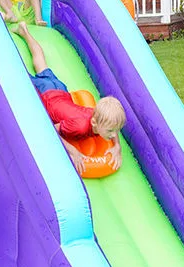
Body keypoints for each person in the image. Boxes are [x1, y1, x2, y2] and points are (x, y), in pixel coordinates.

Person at [13, 22, 125, 174]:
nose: (113, 135)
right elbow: (53, 129)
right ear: (94, 122)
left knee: (41, 63)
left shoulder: (98, 115)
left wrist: (117, 147)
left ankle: (24, 31)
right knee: (20, 77)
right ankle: (11, 48)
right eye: (111, 131)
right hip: (48, 95)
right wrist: (73, 151)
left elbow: (113, 124)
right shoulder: (79, 126)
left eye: (115, 130)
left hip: (61, 91)